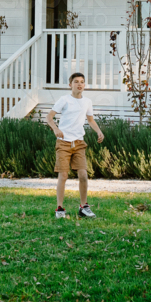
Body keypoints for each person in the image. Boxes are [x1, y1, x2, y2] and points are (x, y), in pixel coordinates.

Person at [47, 72, 105, 219]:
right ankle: (59, 209)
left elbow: (90, 120)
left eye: (82, 82)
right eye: (76, 82)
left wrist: (99, 131)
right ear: (70, 84)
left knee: (83, 175)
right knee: (63, 175)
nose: (79, 84)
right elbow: (49, 117)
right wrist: (55, 129)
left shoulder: (87, 102)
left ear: (84, 85)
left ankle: (84, 207)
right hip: (64, 143)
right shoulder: (64, 100)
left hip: (79, 142)